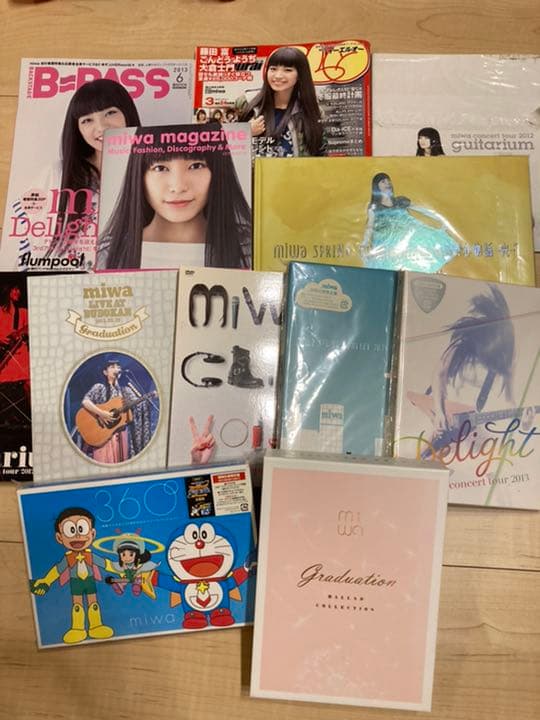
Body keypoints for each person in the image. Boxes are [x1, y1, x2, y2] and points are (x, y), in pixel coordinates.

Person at [97, 124, 251, 270]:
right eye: (160, 168)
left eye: (196, 166)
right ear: (139, 175)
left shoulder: (248, 249)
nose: (178, 187)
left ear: (218, 171)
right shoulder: (109, 254)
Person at [47, 78, 141, 259]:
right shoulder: (59, 173)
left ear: (127, 113)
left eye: (110, 113)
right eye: (87, 120)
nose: (102, 127)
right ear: (77, 129)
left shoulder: (153, 167)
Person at [29, 507, 114, 644]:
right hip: (76, 582)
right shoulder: (68, 558)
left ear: (92, 533)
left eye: (82, 529)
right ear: (59, 537)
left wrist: (120, 569)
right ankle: (78, 628)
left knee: (93, 603)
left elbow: (106, 564)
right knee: (77, 605)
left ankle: (96, 626)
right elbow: (57, 570)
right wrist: (46, 580)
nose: (78, 536)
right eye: (71, 530)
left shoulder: (91, 556)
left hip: (90, 581)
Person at [360, 172, 460, 273]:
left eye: (388, 181)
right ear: (377, 186)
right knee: (389, 264)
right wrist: (364, 244)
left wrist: (439, 218)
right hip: (387, 239)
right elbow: (369, 226)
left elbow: (420, 209)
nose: (387, 183)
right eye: (383, 181)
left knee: (426, 244)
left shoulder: (400, 201)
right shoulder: (374, 208)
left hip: (406, 233)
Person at [237, 46, 326, 157]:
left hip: (295, 168)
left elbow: (321, 153)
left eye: (288, 70)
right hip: (256, 168)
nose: (278, 76)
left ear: (300, 74)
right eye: (273, 69)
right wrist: (245, 132)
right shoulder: (246, 103)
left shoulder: (312, 111)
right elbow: (221, 147)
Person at [78, 358, 153, 464]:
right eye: (112, 367)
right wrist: (102, 413)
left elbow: (139, 406)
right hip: (102, 434)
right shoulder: (99, 387)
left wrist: (147, 399)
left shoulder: (125, 391)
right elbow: (85, 402)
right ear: (105, 372)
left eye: (118, 367)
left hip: (121, 435)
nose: (116, 369)